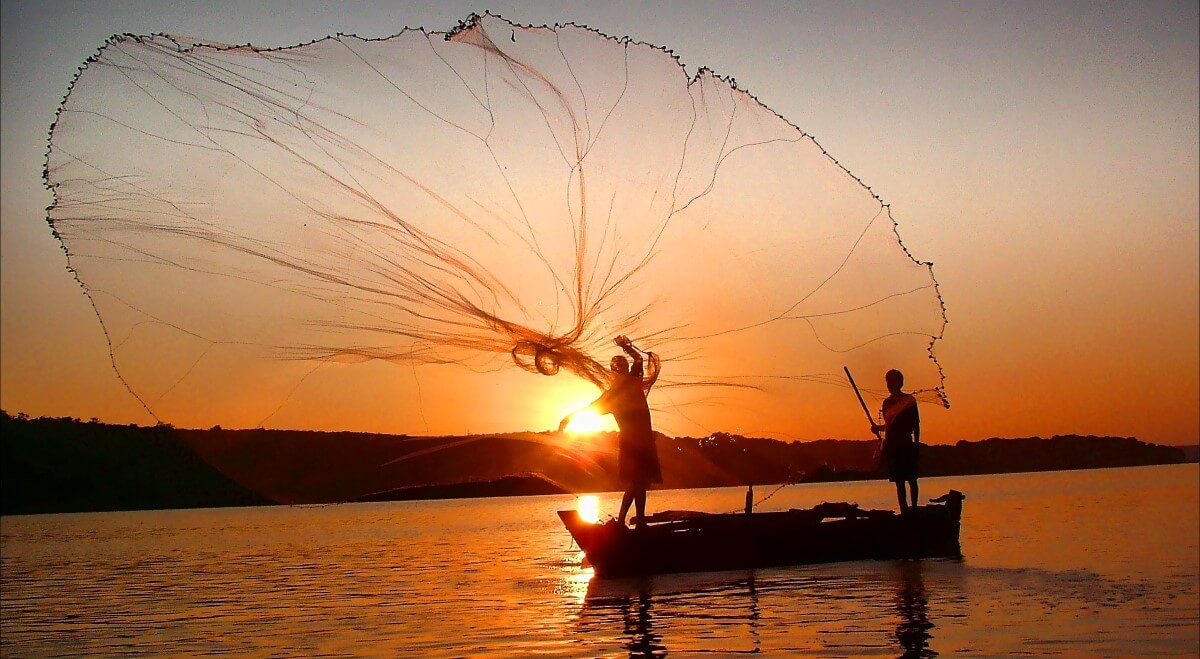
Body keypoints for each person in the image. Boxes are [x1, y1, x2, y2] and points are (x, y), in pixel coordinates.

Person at [559, 335, 661, 528]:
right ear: (615, 372)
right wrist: (569, 418)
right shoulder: (613, 395)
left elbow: (638, 360)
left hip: (644, 439)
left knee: (641, 483)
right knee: (636, 483)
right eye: (619, 368)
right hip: (632, 442)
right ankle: (624, 521)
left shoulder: (632, 381)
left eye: (623, 366)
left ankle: (637, 521)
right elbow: (590, 408)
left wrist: (626, 347)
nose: (622, 370)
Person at [872, 369, 920, 512]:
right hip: (893, 446)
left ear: (899, 382)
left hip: (906, 444)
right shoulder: (887, 403)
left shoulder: (909, 400)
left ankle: (914, 508)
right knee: (899, 482)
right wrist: (878, 429)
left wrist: (916, 444)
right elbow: (889, 426)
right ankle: (904, 509)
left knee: (911, 479)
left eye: (890, 381)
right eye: (887, 382)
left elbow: (916, 424)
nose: (888, 385)